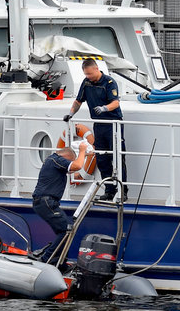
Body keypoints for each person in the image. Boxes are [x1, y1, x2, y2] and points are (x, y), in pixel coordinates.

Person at [65, 58, 125, 200]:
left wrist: (104, 108)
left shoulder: (109, 83)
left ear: (97, 69)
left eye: (90, 74)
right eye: (86, 74)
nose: (88, 77)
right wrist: (71, 114)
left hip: (113, 124)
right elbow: (78, 101)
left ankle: (123, 191)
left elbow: (116, 103)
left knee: (117, 156)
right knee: (102, 158)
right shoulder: (86, 83)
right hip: (98, 124)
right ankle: (109, 191)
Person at [31, 146, 87, 261]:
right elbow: (77, 166)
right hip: (46, 201)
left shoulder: (52, 161)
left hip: (44, 202)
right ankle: (47, 258)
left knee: (63, 231)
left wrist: (84, 155)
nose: (69, 163)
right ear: (66, 157)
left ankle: (59, 260)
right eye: (70, 160)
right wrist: (82, 150)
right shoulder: (57, 159)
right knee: (66, 230)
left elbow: (72, 169)